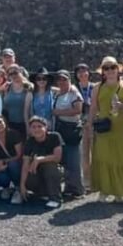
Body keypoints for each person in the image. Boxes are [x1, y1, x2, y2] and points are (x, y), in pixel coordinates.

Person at [89, 57, 123, 202]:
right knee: (104, 158)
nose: (110, 71)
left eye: (112, 67)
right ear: (103, 72)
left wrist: (122, 106)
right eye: (106, 68)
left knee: (121, 159)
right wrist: (89, 124)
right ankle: (105, 190)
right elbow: (93, 107)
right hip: (104, 128)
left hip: (122, 128)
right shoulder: (97, 88)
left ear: (117, 69)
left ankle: (119, 191)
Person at [51, 70, 85, 198]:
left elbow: (77, 110)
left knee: (73, 160)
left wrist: (58, 112)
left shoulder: (74, 92)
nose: (62, 82)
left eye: (64, 79)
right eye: (59, 79)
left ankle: (77, 189)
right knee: (65, 160)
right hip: (61, 129)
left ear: (69, 79)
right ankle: (69, 187)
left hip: (71, 129)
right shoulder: (59, 93)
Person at [20, 116, 65, 210]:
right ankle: (42, 193)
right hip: (36, 170)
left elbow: (57, 158)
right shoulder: (29, 142)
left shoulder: (55, 136)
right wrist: (22, 185)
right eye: (33, 127)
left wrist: (39, 159)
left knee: (49, 166)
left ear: (46, 127)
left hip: (55, 169)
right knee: (28, 176)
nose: (37, 129)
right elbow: (25, 165)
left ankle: (55, 198)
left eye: (39, 126)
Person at [0, 115, 24, 203]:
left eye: (0, 122)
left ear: (5, 123)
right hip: (2, 168)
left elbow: (19, 155)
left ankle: (18, 189)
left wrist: (4, 161)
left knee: (13, 164)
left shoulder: (14, 134)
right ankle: (6, 188)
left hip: (15, 165)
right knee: (0, 175)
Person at [74, 63, 95, 190]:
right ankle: (87, 182)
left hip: (93, 122)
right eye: (79, 72)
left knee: (96, 152)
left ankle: (97, 180)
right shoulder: (74, 88)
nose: (82, 74)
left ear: (89, 73)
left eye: (84, 71)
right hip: (80, 123)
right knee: (84, 154)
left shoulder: (95, 87)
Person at [2, 66, 31, 136]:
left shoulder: (28, 87)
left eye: (15, 73)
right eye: (10, 74)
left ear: (20, 72)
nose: (13, 75)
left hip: (24, 124)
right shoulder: (7, 87)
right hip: (9, 124)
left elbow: (26, 111)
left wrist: (28, 128)